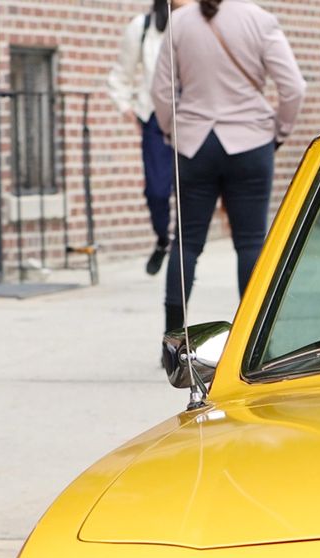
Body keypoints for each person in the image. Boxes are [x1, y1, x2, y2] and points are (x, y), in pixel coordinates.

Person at [151, 0, 306, 335]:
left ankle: (173, 340)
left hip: (194, 143)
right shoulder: (260, 20)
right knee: (250, 242)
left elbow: (161, 92)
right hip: (250, 141)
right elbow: (294, 87)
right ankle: (251, 339)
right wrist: (279, 131)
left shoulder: (179, 21)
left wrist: (171, 132)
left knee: (186, 243)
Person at [106, 0, 176, 277]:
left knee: (190, 193)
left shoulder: (202, 24)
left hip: (195, 120)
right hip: (155, 122)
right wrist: (128, 109)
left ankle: (185, 253)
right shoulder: (143, 27)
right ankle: (162, 239)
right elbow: (120, 76)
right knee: (157, 192)